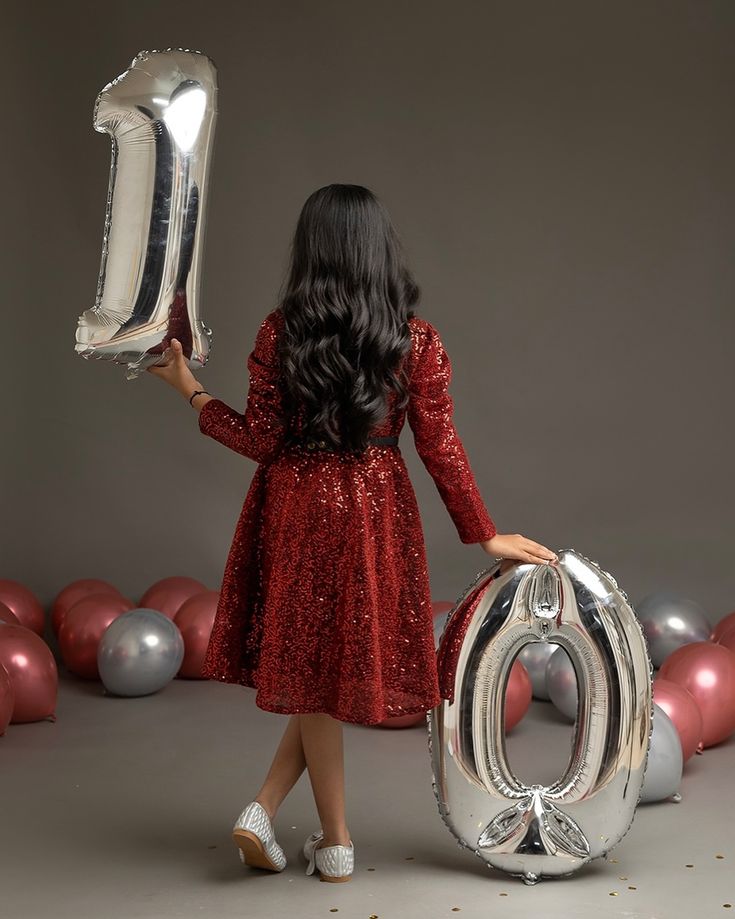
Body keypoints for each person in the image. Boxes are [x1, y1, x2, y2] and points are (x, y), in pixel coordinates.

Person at [148, 183, 558, 882]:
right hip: (374, 511)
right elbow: (440, 446)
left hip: (297, 503)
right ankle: (331, 839)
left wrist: (187, 387)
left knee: (313, 677)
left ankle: (289, 818)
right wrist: (482, 533)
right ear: (378, 249)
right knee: (325, 678)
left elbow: (259, 439)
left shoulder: (281, 332)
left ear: (309, 250)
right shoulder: (414, 339)